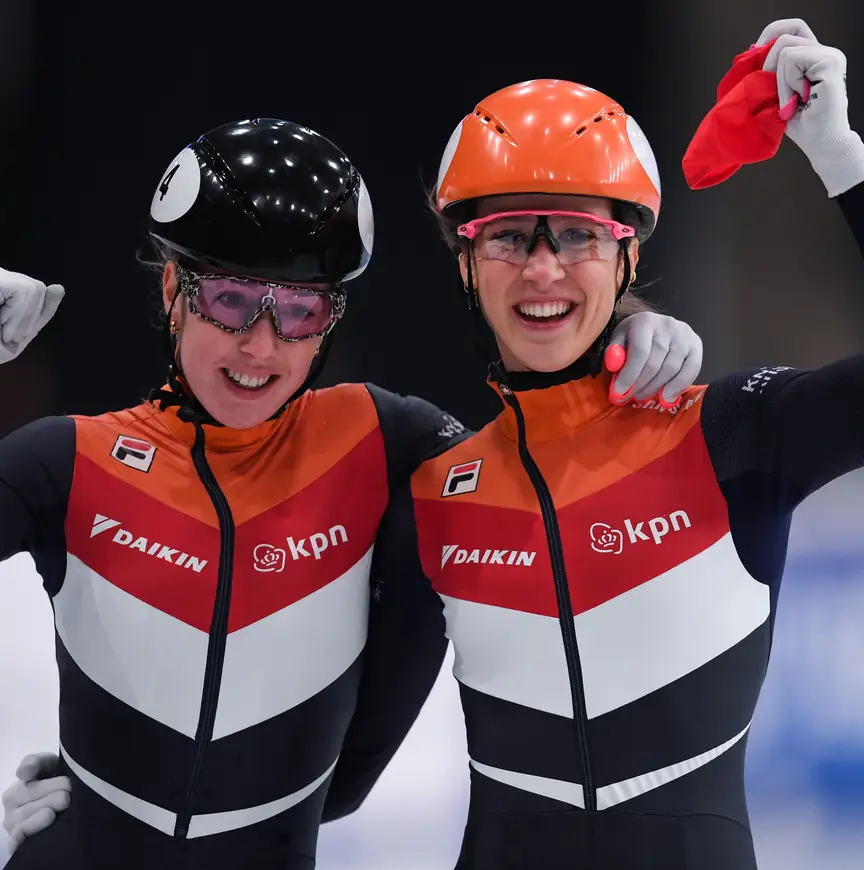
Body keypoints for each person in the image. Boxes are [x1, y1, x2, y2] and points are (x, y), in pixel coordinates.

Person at [0, 115, 701, 869]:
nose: (261, 345)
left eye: (299, 310)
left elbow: (542, 465)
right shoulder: (66, 461)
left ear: (331, 321)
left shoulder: (385, 443)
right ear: (175, 287)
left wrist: (620, 339)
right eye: (232, 301)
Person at [389, 18, 862, 870]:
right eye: (507, 235)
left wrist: (839, 157)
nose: (541, 270)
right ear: (464, 261)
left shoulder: (737, 434)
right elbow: (328, 773)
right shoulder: (429, 487)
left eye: (574, 234)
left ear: (627, 253)